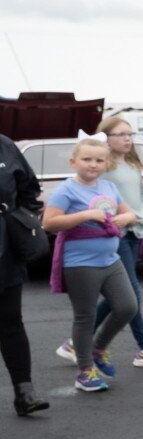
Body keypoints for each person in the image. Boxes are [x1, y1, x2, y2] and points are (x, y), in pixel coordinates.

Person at [59, 117, 143, 370]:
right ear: (106, 138)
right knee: (132, 294)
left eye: (129, 134)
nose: (127, 138)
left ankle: (73, 343)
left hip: (135, 231)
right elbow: (100, 201)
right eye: (121, 134)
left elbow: (141, 195)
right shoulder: (103, 168)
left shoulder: (132, 162)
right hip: (115, 236)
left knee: (121, 298)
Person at [42, 137, 140, 393]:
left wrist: (124, 218)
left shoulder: (108, 187)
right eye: (86, 159)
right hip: (80, 263)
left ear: (106, 164)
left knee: (128, 306)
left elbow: (129, 213)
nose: (93, 165)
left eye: (99, 160)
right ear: (74, 162)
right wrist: (86, 215)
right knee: (86, 317)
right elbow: (49, 223)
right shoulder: (66, 190)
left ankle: (98, 348)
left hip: (110, 259)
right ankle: (84, 371)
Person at [1, 130, 49, 416]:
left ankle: (25, 392)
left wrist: (22, 219)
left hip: (5, 248)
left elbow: (29, 188)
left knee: (10, 322)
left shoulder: (5, 145)